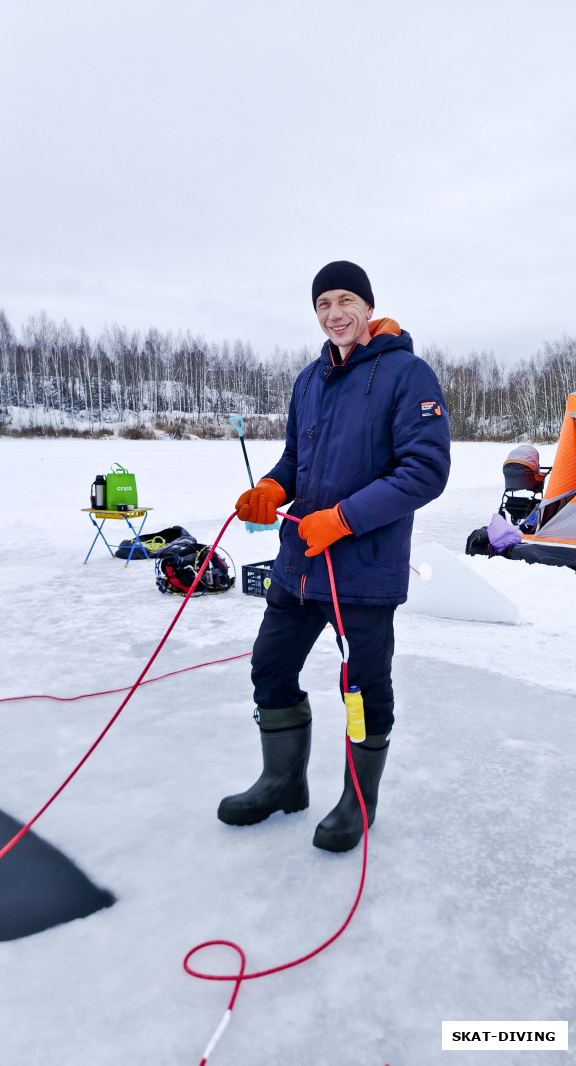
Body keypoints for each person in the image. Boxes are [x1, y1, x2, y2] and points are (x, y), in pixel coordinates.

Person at [218, 260, 451, 851]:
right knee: (270, 668)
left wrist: (343, 519)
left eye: (345, 299)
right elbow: (295, 460)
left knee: (362, 690)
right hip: (299, 566)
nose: (334, 313)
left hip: (362, 570)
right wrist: (271, 488)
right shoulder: (309, 379)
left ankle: (357, 802)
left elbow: (425, 471)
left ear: (368, 307)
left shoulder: (407, 374)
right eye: (323, 303)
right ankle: (282, 782)